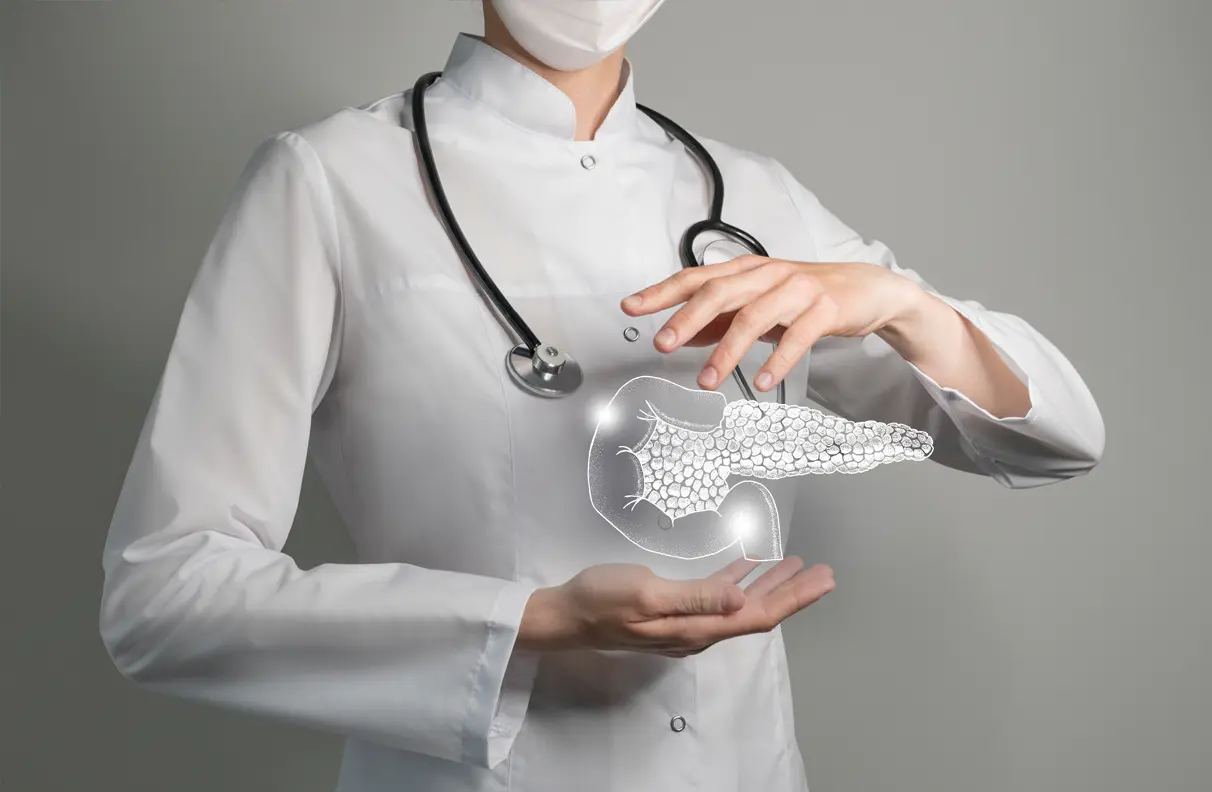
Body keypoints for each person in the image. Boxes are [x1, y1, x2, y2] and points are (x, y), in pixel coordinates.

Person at [98, 2, 1105, 790]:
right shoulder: (328, 183)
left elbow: (1054, 440)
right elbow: (165, 593)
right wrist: (528, 621)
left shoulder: (752, 201)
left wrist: (897, 303)